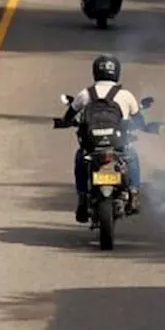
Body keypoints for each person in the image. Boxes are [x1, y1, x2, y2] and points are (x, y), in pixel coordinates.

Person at [55, 54, 145, 222]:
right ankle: (133, 194)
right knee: (132, 156)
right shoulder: (125, 95)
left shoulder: (85, 94)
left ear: (95, 72)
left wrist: (65, 122)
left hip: (92, 145)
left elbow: (68, 116)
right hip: (118, 145)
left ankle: (82, 199)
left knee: (80, 158)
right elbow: (139, 120)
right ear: (117, 72)